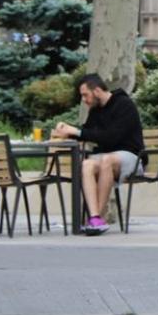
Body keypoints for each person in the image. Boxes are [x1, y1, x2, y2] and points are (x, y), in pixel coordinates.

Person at [52, 74, 144, 236]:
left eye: (85, 95)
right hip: (105, 157)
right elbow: (87, 132)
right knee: (87, 164)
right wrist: (67, 131)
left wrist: (78, 132)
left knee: (106, 160)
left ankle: (98, 218)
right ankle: (95, 219)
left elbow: (111, 137)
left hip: (131, 157)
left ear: (97, 90)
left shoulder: (125, 105)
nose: (84, 100)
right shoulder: (95, 110)